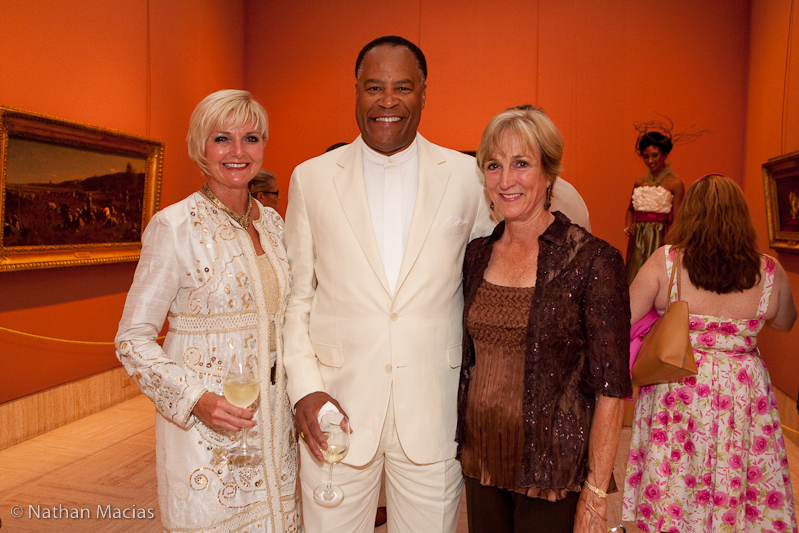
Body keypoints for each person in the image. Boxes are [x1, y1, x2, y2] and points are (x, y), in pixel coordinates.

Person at [115, 90, 298, 532]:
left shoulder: (274, 225)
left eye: (250, 138)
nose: (238, 151)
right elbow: (132, 339)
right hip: (207, 432)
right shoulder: (174, 227)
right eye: (222, 139)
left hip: (276, 423)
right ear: (201, 147)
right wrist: (195, 400)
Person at [457, 105, 631, 533]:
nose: (506, 180)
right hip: (482, 461)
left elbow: (610, 389)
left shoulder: (592, 260)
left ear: (549, 173)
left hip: (554, 469)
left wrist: (596, 492)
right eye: (494, 166)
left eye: (521, 164)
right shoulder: (476, 255)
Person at [623, 174, 798, 533]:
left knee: (677, 475)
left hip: (678, 381)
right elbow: (784, 322)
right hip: (742, 388)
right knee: (737, 468)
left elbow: (623, 316)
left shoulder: (667, 261)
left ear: (689, 214)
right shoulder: (768, 269)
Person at [624, 130, 684, 285]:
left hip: (660, 236)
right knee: (634, 275)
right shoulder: (639, 183)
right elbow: (630, 209)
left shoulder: (675, 184)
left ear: (664, 154)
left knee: (657, 277)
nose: (650, 160)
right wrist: (628, 227)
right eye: (646, 156)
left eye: (655, 155)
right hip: (638, 239)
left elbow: (678, 217)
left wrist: (671, 242)